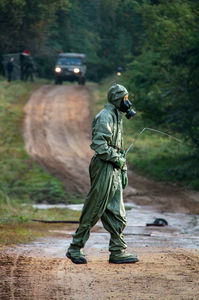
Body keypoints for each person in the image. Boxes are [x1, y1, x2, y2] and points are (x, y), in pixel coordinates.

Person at [66, 83, 139, 264]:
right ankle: (75, 248)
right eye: (124, 98)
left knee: (117, 211)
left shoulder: (117, 116)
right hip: (104, 165)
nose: (127, 102)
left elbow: (117, 146)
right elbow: (99, 145)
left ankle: (117, 250)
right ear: (116, 98)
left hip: (114, 165)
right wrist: (116, 159)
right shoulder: (105, 116)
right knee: (95, 207)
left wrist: (123, 167)